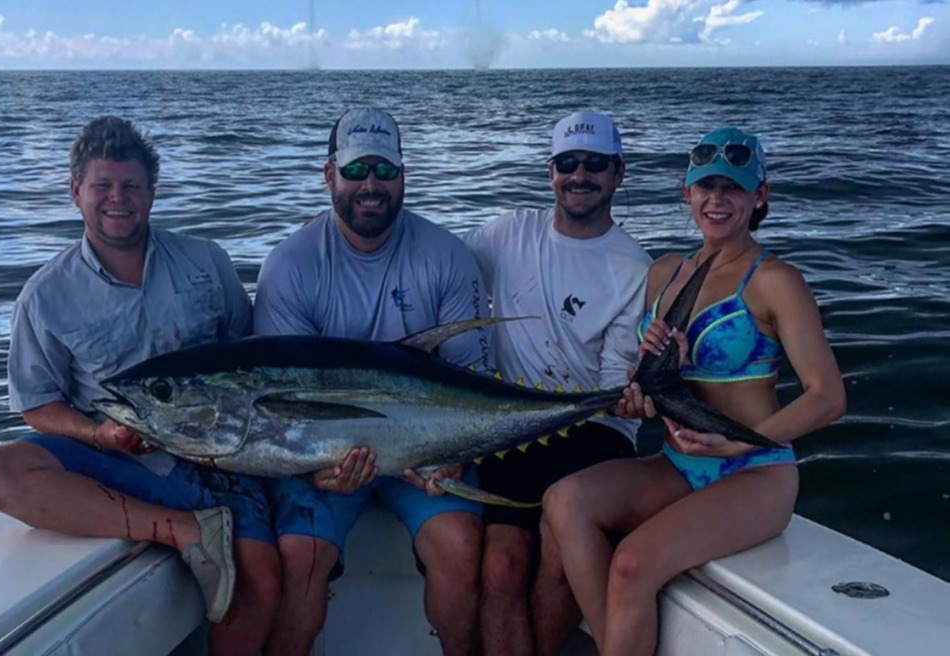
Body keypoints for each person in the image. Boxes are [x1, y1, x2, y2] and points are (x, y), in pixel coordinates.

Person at [0, 116, 280, 656]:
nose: (118, 199)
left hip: (219, 460)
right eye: (103, 187)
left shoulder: (207, 261)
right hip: (117, 459)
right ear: (76, 193)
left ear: (152, 193)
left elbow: (251, 361)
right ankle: (183, 530)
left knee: (263, 582)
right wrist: (98, 434)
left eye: (131, 186)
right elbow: (38, 404)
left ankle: (204, 530)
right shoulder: (44, 295)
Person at [540, 127, 846, 656]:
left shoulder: (775, 279)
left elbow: (827, 396)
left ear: (760, 196)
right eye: (706, 187)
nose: (717, 200)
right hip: (678, 464)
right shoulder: (662, 274)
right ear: (687, 193)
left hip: (756, 472)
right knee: (564, 502)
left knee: (632, 563)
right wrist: (655, 374)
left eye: (733, 188)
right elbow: (648, 389)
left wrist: (742, 441)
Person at [254, 107, 491, 656]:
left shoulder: (448, 257)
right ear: (329, 174)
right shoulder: (291, 266)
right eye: (357, 170)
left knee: (460, 545)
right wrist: (321, 472)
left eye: (385, 170)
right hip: (319, 463)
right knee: (300, 556)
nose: (371, 186)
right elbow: (282, 414)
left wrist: (454, 455)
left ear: (404, 174)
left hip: (426, 453)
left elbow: (471, 386)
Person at [461, 110, 651, 656]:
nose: (580, 174)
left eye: (595, 163)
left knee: (561, 556)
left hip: (597, 426)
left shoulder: (633, 267)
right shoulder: (504, 234)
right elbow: (437, 267)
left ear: (619, 172)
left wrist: (639, 398)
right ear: (551, 172)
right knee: (500, 565)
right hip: (507, 418)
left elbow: (616, 379)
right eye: (568, 163)